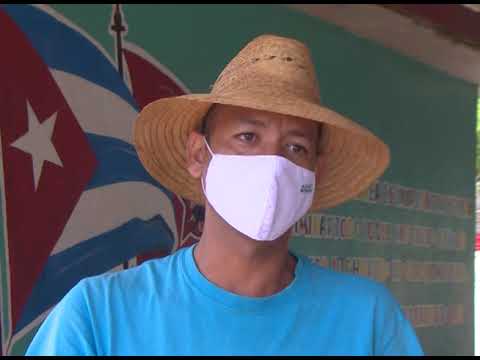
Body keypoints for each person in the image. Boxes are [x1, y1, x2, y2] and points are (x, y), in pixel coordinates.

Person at [26, 34, 423, 356]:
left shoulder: (367, 318)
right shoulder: (99, 315)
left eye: (296, 147)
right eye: (248, 137)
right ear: (199, 155)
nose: (272, 164)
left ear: (312, 174)